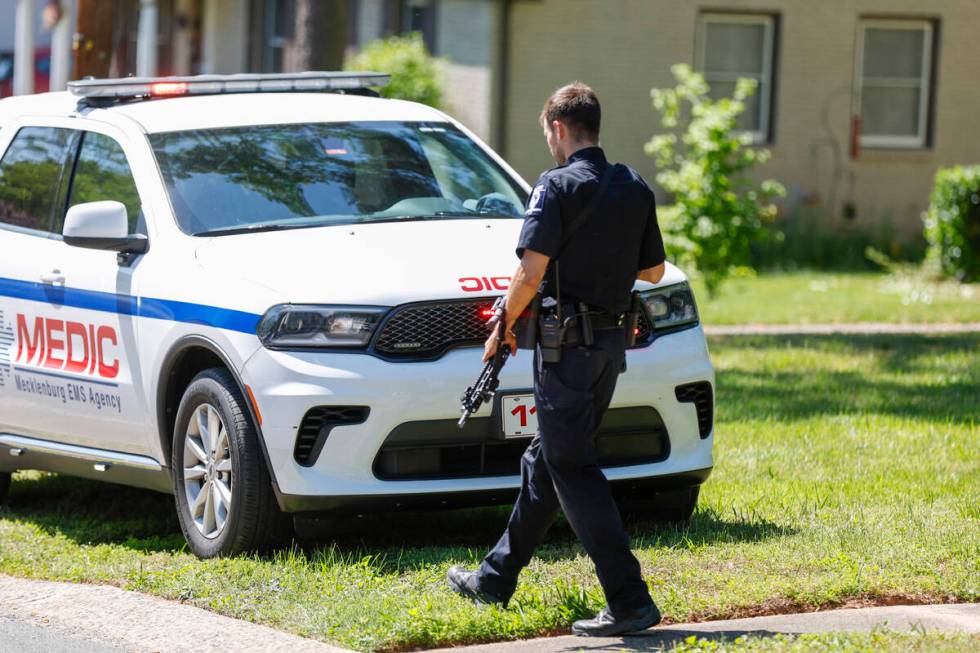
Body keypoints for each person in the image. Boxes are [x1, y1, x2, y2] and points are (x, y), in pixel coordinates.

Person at [446, 82, 668, 637]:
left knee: (571, 466)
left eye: (547, 130)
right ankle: (494, 578)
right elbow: (654, 271)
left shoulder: (556, 186)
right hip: (609, 350)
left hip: (565, 352)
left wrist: (501, 327)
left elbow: (530, 271)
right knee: (546, 462)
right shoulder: (632, 186)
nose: (548, 139)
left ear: (559, 129)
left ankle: (629, 599)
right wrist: (600, 262)